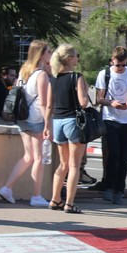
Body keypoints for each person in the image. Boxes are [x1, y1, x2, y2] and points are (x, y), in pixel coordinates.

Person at [0, 41, 52, 206]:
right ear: (41, 54)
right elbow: (43, 102)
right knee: (38, 158)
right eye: (48, 51)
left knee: (28, 156)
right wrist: (47, 124)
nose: (51, 54)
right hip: (35, 119)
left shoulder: (23, 72)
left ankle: (7, 188)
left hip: (21, 118)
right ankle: (36, 196)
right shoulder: (41, 74)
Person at [95, 46, 127, 204]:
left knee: (124, 157)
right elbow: (99, 98)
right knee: (113, 154)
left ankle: (119, 190)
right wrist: (111, 103)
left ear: (126, 62)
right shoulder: (104, 74)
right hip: (110, 119)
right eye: (117, 65)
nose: (120, 68)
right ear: (112, 61)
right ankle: (108, 187)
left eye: (123, 65)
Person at [47, 44, 89, 214]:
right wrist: (85, 90)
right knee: (74, 166)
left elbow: (49, 105)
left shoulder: (54, 78)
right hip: (73, 121)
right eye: (76, 56)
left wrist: (46, 126)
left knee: (63, 164)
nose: (77, 58)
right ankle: (69, 204)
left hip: (57, 121)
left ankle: (55, 199)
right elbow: (83, 102)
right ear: (70, 59)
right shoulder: (76, 77)